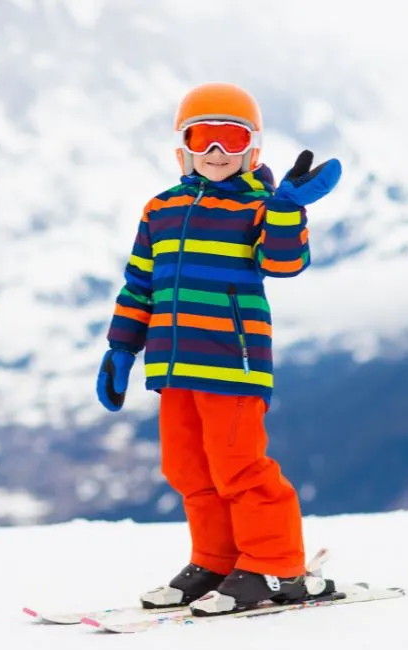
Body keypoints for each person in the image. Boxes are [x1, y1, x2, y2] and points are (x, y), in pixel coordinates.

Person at [95, 81, 342, 616]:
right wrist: (122, 346)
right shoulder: (160, 209)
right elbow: (140, 282)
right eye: (202, 137)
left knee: (239, 468)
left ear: (252, 149)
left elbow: (282, 263)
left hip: (233, 360)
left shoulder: (260, 206)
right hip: (171, 363)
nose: (215, 153)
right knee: (188, 469)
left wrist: (286, 208)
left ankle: (276, 567)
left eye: (229, 140)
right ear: (181, 147)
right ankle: (218, 559)